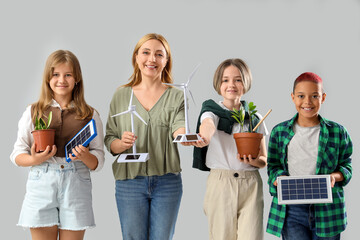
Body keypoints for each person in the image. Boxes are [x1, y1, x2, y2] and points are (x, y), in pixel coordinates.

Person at [10, 50, 105, 240]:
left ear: (77, 78)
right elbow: (17, 154)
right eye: (56, 74)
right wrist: (34, 159)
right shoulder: (33, 111)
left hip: (76, 183)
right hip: (42, 182)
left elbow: (99, 160)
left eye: (68, 74)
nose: (62, 80)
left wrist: (86, 156)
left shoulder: (90, 114)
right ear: (48, 78)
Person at [104, 33, 185, 240]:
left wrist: (186, 135)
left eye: (159, 54)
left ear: (166, 61)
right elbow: (109, 139)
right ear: (136, 57)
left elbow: (179, 127)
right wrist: (120, 144)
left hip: (167, 182)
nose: (152, 59)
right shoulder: (121, 95)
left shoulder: (176, 95)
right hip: (129, 181)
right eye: (146, 52)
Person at [266, 72, 353, 240]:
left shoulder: (338, 132)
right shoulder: (279, 132)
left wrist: (334, 177)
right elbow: (273, 166)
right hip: (292, 210)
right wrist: (278, 178)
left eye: (314, 96)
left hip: (328, 210)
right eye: (301, 96)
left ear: (323, 97)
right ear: (292, 97)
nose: (307, 102)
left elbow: (346, 165)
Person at [190, 58, 268, 240]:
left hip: (251, 185)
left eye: (238, 79)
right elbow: (208, 124)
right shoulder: (211, 110)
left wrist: (254, 161)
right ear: (218, 84)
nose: (231, 85)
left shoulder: (255, 118)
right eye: (225, 80)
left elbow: (264, 159)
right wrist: (204, 138)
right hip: (221, 184)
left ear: (245, 83)